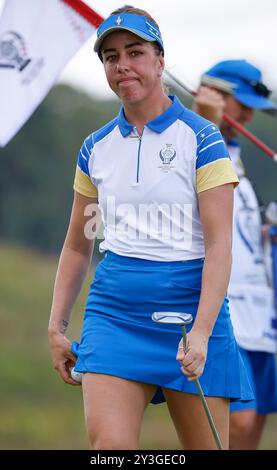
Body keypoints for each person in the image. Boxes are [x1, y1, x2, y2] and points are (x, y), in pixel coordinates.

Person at [48, 7, 253, 450]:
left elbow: (220, 247)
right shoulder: (95, 148)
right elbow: (79, 246)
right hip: (116, 313)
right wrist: (56, 325)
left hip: (191, 313)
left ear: (160, 60)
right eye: (111, 56)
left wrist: (200, 331)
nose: (122, 65)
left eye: (135, 52)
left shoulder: (202, 139)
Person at [194, 59, 277, 450]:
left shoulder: (236, 155)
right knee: (238, 421)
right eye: (239, 103)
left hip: (261, 315)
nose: (246, 114)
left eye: (250, 107)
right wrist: (204, 121)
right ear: (212, 94)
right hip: (227, 310)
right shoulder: (193, 142)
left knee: (254, 424)